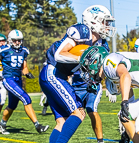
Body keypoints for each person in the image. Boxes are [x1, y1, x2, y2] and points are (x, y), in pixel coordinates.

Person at [39, 5, 116, 143]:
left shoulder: (102, 44)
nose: (108, 26)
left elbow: (99, 68)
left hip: (58, 76)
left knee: (62, 121)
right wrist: (83, 58)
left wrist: (101, 81)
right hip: (52, 72)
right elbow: (59, 55)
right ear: (94, 21)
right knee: (79, 112)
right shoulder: (82, 31)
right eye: (105, 22)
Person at [0, 29, 49, 135]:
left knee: (12, 105)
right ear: (9, 40)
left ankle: (2, 125)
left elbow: (24, 67)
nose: (17, 42)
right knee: (26, 98)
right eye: (15, 40)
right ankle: (37, 125)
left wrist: (27, 74)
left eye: (19, 40)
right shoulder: (3, 50)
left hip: (18, 79)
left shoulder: (24, 50)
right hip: (8, 79)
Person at [0, 34, 7, 113]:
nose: (2, 43)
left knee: (2, 101)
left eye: (3, 41)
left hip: (3, 79)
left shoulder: (7, 52)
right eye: (0, 41)